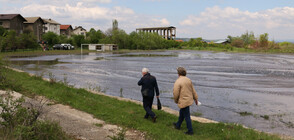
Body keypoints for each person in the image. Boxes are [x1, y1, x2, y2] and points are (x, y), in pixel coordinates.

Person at [173, 67, 198, 135]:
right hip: (188, 100)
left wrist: (176, 100)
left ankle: (190, 131)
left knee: (187, 116)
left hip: (183, 101)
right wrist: (196, 98)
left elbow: (175, 93)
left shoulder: (178, 81)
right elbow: (193, 90)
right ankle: (178, 125)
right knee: (182, 112)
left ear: (178, 73)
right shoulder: (188, 80)